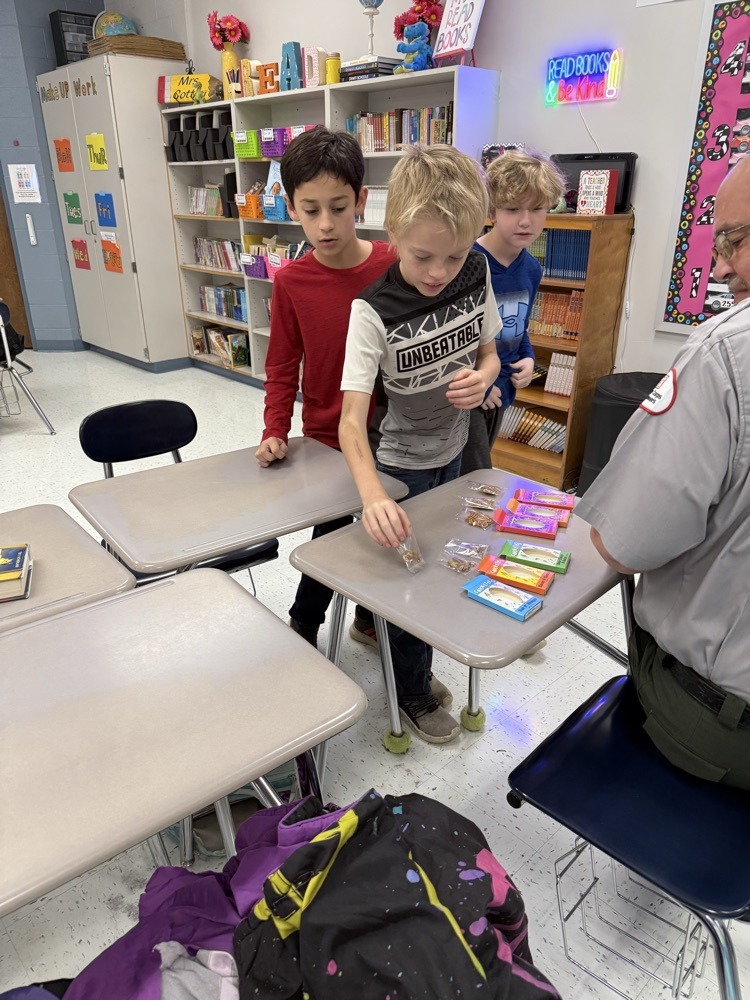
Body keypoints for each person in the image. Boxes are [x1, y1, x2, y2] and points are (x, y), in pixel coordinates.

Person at [575, 155, 750, 790]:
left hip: (723, 724)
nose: (723, 264)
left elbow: (620, 543)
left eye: (734, 238)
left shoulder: (724, 351)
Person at [339, 144, 502, 743]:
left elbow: (488, 352)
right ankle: (410, 690)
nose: (439, 272)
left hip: (454, 451)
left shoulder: (475, 271)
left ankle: (374, 630)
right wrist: (372, 495)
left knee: (432, 567)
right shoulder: (371, 312)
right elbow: (351, 422)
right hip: (400, 466)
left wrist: (484, 379)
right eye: (422, 256)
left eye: (453, 255)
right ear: (392, 233)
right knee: (413, 578)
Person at [255, 126, 394, 649]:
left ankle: (366, 620)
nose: (326, 224)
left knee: (388, 530)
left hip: (393, 431)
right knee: (333, 537)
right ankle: (304, 623)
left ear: (361, 200)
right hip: (328, 436)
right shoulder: (291, 281)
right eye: (311, 210)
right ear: (291, 207)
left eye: (338, 207)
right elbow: (282, 364)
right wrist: (274, 429)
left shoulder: (394, 264)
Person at [460, 149, 566, 475]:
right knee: (474, 477)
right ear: (492, 210)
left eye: (536, 209)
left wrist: (529, 358)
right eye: (512, 209)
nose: (525, 220)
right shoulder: (467, 263)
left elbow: (518, 326)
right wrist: (482, 382)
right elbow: (456, 338)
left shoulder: (531, 268)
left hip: (504, 392)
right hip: (470, 393)